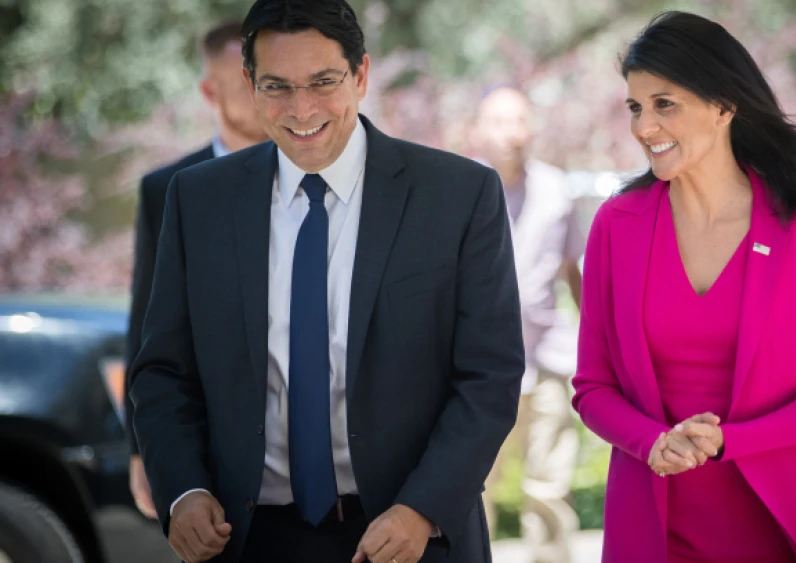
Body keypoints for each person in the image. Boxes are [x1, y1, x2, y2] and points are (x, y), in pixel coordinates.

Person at [128, 0, 524, 561]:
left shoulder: (459, 196)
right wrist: (184, 491)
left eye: (322, 81)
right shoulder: (198, 201)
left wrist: (423, 508)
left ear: (361, 75)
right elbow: (163, 370)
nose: (302, 107)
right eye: (277, 87)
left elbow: (490, 374)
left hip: (410, 534)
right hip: (246, 540)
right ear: (249, 84)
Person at [571, 11, 796, 562]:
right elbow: (593, 388)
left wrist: (730, 441)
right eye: (636, 107)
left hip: (776, 529)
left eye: (665, 104)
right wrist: (652, 442)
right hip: (654, 530)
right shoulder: (617, 224)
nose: (642, 127)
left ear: (724, 106)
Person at [125, 20, 268, 520]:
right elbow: (147, 325)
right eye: (246, 84)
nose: (264, 95)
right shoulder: (168, 189)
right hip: (210, 441)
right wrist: (141, 447)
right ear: (211, 91)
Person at [473, 85, 584, 563]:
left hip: (549, 361)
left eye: (519, 121)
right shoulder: (462, 192)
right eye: (499, 122)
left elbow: (574, 269)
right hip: (479, 369)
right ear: (479, 130)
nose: (511, 134)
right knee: (473, 487)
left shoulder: (558, 191)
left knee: (549, 488)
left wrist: (599, 344)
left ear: (531, 128)